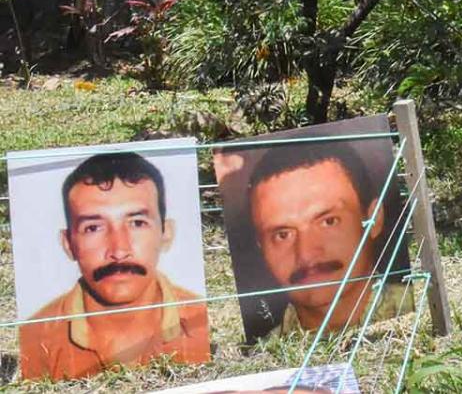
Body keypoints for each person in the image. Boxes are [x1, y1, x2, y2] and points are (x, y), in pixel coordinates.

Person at [20, 151, 209, 381]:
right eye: (93, 228)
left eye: (137, 223)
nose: (119, 251)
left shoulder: (203, 321)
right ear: (68, 243)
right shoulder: (34, 338)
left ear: (166, 233)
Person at [245, 142, 411, 337]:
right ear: (261, 247)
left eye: (328, 221)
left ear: (374, 219)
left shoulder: (417, 316)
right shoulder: (264, 355)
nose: (306, 254)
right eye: (283, 235)